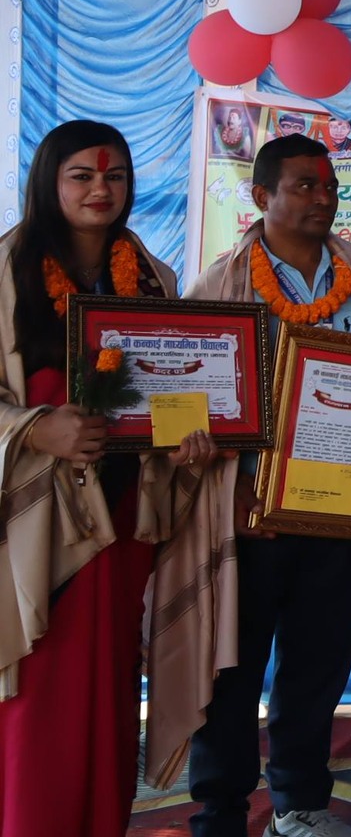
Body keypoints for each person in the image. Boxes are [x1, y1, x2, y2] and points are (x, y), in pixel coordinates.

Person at [181, 134, 351, 837]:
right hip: (249, 514)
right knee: (231, 672)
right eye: (304, 186)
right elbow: (193, 402)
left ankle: (300, 806)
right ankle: (220, 813)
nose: (322, 199)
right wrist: (232, 487)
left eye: (329, 187)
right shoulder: (219, 285)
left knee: (318, 668)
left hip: (338, 509)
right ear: (261, 196)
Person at [0, 121, 212, 837]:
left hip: (124, 518)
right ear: (49, 181)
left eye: (115, 176)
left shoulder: (151, 276)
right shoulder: (7, 271)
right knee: (43, 689)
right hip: (33, 527)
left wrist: (185, 443)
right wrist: (35, 428)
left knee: (112, 683)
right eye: (82, 176)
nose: (101, 189)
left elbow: (168, 386)